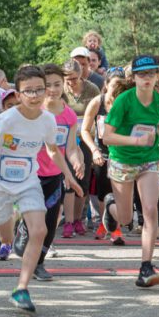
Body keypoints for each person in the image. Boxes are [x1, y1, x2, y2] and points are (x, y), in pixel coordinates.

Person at [0, 65, 81, 315]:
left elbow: (53, 150)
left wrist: (68, 176)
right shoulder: (5, 119)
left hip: (28, 181)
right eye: (28, 91)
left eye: (39, 90)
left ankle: (21, 288)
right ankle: (10, 233)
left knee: (40, 230)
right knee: (7, 238)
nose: (34, 95)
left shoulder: (48, 120)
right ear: (18, 94)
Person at [101, 55, 159, 288]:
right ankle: (111, 208)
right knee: (126, 219)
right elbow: (107, 136)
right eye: (142, 75)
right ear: (134, 77)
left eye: (151, 73)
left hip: (148, 162)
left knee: (151, 211)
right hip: (122, 161)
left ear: (157, 75)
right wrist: (136, 140)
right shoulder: (124, 101)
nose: (147, 78)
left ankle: (146, 267)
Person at [16, 64, 83, 279]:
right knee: (35, 221)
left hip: (55, 175)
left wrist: (76, 162)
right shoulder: (36, 112)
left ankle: (40, 263)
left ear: (64, 85)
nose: (53, 89)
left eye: (57, 84)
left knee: (52, 220)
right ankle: (23, 229)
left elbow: (70, 148)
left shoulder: (70, 116)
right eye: (48, 85)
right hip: (31, 175)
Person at [80, 69, 128, 242]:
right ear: (106, 85)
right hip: (102, 153)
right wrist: (94, 150)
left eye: (122, 86)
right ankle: (105, 222)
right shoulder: (97, 102)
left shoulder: (128, 102)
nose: (117, 89)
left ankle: (115, 230)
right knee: (103, 193)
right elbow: (84, 130)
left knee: (120, 191)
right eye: (115, 85)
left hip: (123, 154)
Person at [61, 60, 100, 238]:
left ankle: (78, 219)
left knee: (82, 180)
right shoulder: (61, 90)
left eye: (74, 79)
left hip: (85, 138)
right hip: (66, 139)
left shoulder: (91, 89)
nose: (71, 83)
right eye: (67, 79)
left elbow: (97, 114)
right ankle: (68, 221)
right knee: (68, 180)